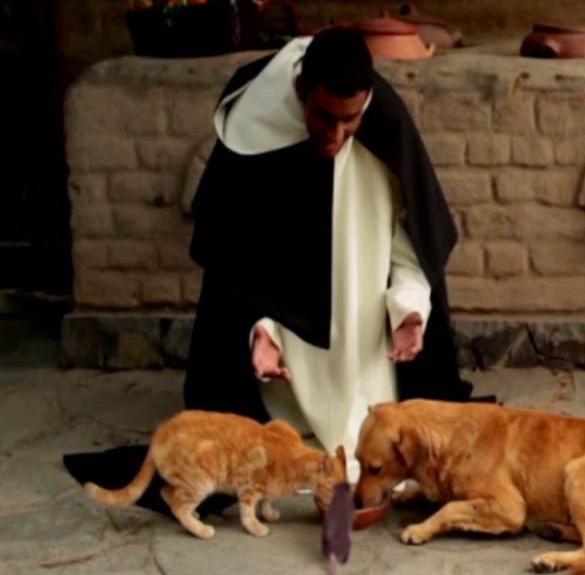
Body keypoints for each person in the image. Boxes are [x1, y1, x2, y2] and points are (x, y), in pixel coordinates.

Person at [64, 27, 486, 516]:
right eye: (323, 117)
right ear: (300, 92)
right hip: (287, 348)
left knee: (370, 432)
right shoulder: (256, 130)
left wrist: (410, 308)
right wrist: (256, 331)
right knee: (274, 439)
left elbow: (410, 239)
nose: (335, 135)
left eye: (351, 121)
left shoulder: (383, 123)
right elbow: (238, 260)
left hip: (362, 329)